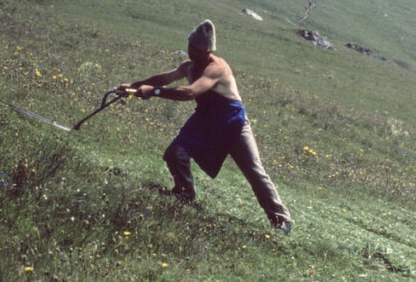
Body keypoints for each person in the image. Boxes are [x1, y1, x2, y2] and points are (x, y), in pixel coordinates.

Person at [119, 19, 292, 232]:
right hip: (205, 118)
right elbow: (165, 78)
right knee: (175, 152)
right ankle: (185, 193)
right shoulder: (189, 66)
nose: (192, 52)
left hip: (232, 123)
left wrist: (154, 93)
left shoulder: (216, 68)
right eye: (191, 47)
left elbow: (190, 92)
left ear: (207, 51)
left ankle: (281, 219)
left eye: (197, 50)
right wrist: (133, 86)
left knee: (254, 170)